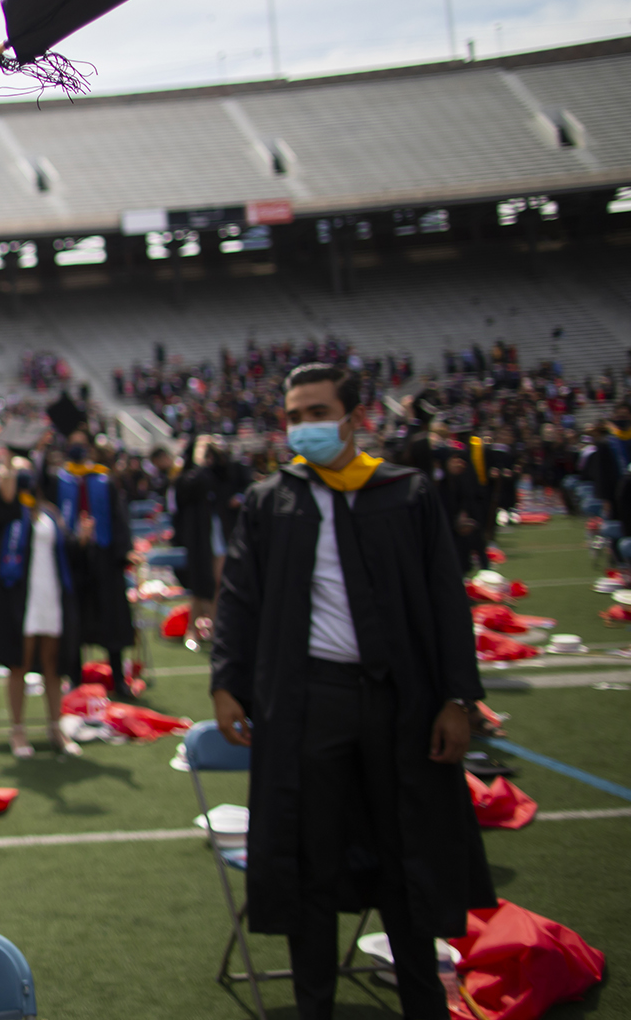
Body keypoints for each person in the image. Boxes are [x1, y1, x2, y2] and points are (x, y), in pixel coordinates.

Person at [210, 363, 492, 1020]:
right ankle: (316, 1006)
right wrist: (227, 681)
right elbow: (238, 600)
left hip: (402, 702)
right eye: (294, 414)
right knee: (313, 859)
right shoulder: (271, 498)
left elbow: (447, 599)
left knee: (407, 856)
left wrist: (457, 696)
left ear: (354, 417)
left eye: (316, 410)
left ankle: (425, 1001)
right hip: (310, 699)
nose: (302, 425)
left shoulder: (407, 492)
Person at [0, 455, 81, 759]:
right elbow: (0, 498)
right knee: (19, 664)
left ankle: (55, 727)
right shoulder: (8, 511)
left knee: (53, 664)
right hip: (19, 598)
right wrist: (10, 468)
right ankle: (18, 730)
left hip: (50, 593)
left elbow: (67, 549)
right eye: (18, 472)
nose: (25, 477)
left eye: (27, 471)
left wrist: (83, 539)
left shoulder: (49, 512)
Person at [51, 436, 137, 698]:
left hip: (105, 559)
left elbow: (119, 517)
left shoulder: (105, 480)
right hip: (74, 560)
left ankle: (119, 679)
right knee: (75, 620)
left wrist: (123, 552)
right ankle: (75, 679)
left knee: (111, 619)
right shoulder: (59, 480)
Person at [171, 437, 223, 649]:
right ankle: (198, 628)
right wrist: (199, 459)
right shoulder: (185, 478)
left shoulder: (217, 472)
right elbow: (190, 488)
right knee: (201, 583)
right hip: (198, 536)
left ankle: (211, 628)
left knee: (218, 583)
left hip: (218, 532)